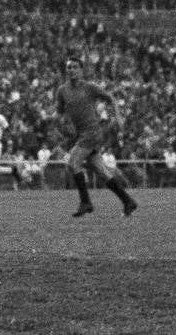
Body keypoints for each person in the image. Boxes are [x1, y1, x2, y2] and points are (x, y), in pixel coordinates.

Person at [54, 55, 138, 218]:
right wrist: (56, 119)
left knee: (73, 162)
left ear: (81, 70)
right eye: (69, 67)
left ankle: (86, 202)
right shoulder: (62, 90)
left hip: (92, 132)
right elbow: (59, 112)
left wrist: (118, 116)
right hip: (81, 134)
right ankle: (128, 201)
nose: (71, 70)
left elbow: (110, 98)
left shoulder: (89, 87)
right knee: (101, 171)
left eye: (74, 67)